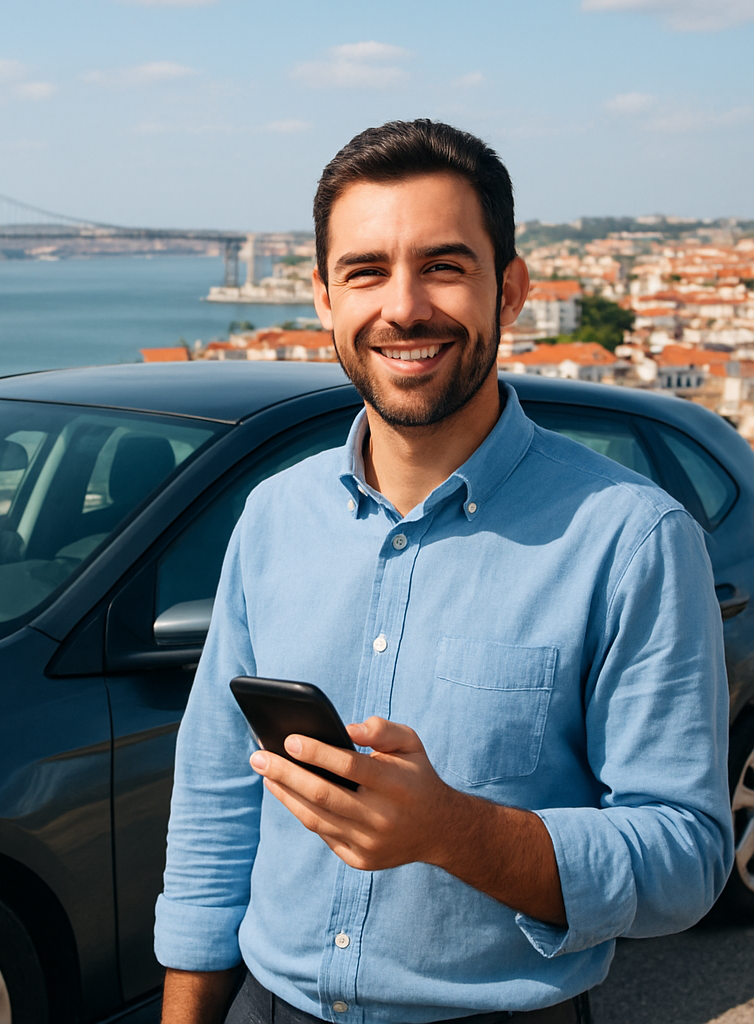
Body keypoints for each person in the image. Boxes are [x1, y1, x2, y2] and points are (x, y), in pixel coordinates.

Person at [154, 120, 731, 1024]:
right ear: (322, 298)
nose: (404, 306)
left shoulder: (632, 538)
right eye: (366, 271)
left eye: (445, 267)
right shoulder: (273, 516)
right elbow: (217, 801)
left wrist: (454, 833)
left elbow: (687, 856)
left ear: (512, 288)